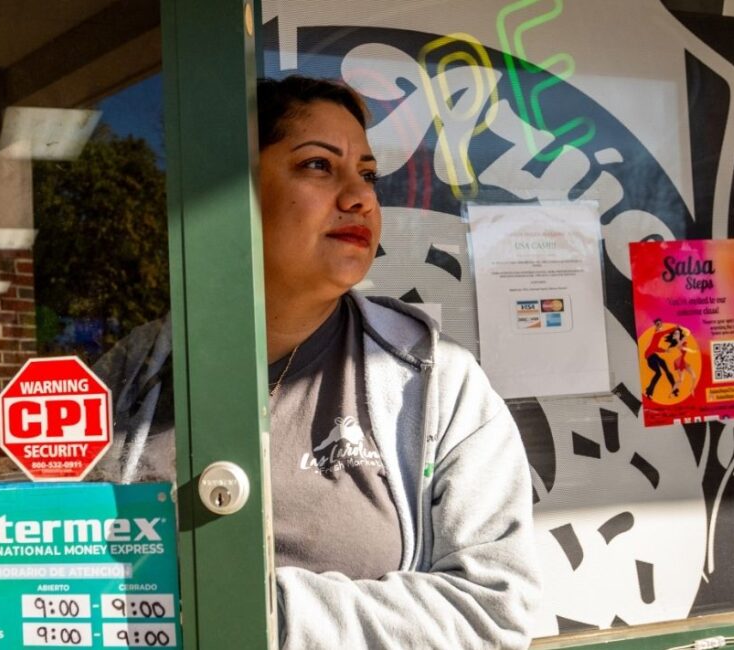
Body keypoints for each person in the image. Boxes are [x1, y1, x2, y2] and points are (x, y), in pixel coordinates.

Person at [93, 75, 540, 648]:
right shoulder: (132, 374)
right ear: (233, 194)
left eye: (368, 174)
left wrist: (252, 613)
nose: (360, 196)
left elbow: (493, 611)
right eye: (318, 166)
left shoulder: (435, 380)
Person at [644, 318, 677, 398]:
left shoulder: (657, 334)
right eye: (658, 324)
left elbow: (655, 348)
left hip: (653, 355)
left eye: (660, 324)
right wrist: (675, 328)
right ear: (656, 326)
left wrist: (665, 350)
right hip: (650, 356)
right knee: (659, 373)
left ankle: (675, 389)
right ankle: (649, 392)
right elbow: (655, 347)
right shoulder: (657, 334)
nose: (660, 326)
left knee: (664, 369)